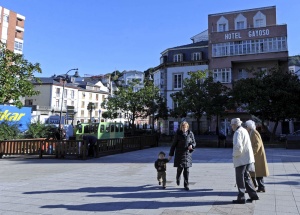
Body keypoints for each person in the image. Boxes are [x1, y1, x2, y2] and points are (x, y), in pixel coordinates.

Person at [231, 118, 259, 204]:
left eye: (232, 125)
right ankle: (253, 195)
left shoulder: (237, 132)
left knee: (240, 179)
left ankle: (241, 198)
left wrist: (234, 155)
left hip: (241, 159)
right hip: (247, 159)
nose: (231, 127)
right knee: (247, 178)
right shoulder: (244, 130)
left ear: (235, 125)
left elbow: (238, 147)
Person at [168, 121, 196, 191]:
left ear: (187, 127)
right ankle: (178, 177)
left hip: (187, 154)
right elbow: (173, 145)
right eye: (183, 127)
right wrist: (171, 155)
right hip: (179, 154)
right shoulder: (178, 134)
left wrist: (191, 145)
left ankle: (186, 185)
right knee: (180, 169)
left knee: (187, 170)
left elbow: (194, 142)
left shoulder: (190, 133)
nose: (184, 129)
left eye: (185, 127)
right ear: (181, 127)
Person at [245, 120, 269, 192]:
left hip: (257, 156)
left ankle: (260, 187)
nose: (246, 127)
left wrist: (252, 153)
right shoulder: (251, 132)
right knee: (253, 172)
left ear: (249, 126)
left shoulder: (254, 132)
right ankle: (255, 186)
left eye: (246, 126)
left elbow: (257, 144)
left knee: (258, 172)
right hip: (255, 156)